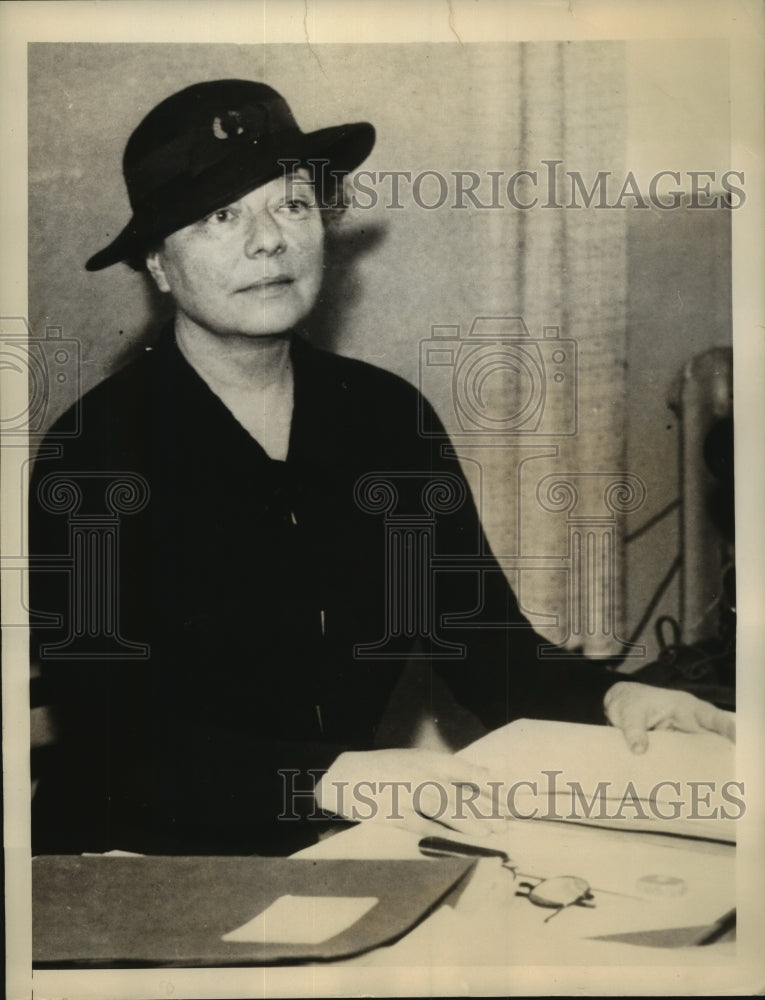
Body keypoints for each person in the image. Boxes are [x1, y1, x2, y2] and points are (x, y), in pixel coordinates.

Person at [29, 79, 735, 857]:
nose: (268, 242)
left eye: (292, 205)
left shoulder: (385, 418)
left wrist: (617, 696)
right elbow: (111, 741)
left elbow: (482, 641)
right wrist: (333, 781)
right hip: (134, 862)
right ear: (159, 265)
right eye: (219, 216)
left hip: (337, 844)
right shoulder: (94, 453)